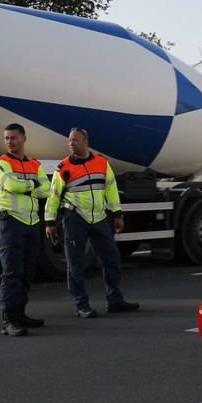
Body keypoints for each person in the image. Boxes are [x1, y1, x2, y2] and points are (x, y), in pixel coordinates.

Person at [44, 126, 138, 318]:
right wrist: (49, 221)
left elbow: (110, 189)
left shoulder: (101, 162)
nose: (71, 143)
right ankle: (81, 304)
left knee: (112, 259)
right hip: (74, 218)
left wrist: (118, 213)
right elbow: (53, 196)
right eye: (70, 140)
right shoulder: (63, 168)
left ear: (86, 142)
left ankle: (115, 300)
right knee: (75, 264)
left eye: (75, 140)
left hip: (100, 218)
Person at [0, 123, 51, 336]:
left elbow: (47, 190)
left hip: (31, 223)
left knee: (27, 272)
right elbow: (12, 186)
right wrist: (33, 186)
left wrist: (28, 188)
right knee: (11, 272)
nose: (9, 141)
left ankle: (20, 314)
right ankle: (8, 320)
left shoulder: (35, 164)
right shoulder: (1, 163)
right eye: (7, 138)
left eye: (14, 138)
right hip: (11, 224)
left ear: (24, 139)